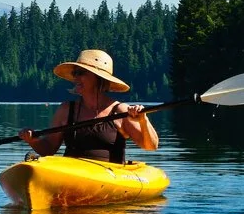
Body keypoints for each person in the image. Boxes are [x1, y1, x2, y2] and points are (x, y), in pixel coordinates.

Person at [17, 49, 158, 162]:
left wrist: (143, 120)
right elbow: (48, 149)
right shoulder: (66, 110)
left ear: (98, 78)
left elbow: (151, 146)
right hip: (72, 177)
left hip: (109, 178)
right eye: (75, 73)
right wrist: (33, 140)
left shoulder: (120, 110)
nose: (75, 78)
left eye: (80, 73)